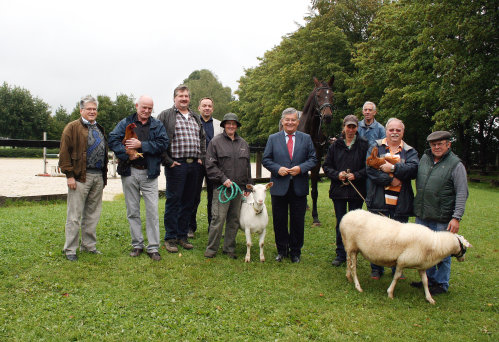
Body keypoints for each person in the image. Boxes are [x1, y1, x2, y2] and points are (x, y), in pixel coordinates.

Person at [108, 96, 169, 261]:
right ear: (137, 106)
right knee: (132, 210)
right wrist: (127, 153)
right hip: (130, 171)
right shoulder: (125, 123)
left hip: (150, 173)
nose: (147, 111)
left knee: (152, 211)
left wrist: (141, 145)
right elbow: (112, 139)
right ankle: (137, 245)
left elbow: (164, 143)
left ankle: (153, 247)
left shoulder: (157, 124)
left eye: (150, 108)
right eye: (144, 107)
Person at [412, 131, 468, 295]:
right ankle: (427, 280)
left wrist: (456, 217)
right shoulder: (424, 159)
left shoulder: (455, 164)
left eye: (440, 144)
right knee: (423, 249)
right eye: (433, 144)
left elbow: (462, 193)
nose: (436, 147)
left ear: (448, 144)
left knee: (442, 251)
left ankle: (441, 283)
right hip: (423, 214)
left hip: (443, 217)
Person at [365, 118, 419, 279]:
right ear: (386, 131)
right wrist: (390, 180)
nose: (394, 132)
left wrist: (393, 167)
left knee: (399, 238)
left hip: (401, 201)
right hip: (379, 200)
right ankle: (376, 268)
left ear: (403, 132)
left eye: (398, 130)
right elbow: (370, 170)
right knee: (376, 237)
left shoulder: (410, 151)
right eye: (391, 130)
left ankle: (397, 269)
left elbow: (413, 170)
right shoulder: (375, 146)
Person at [262, 108, 317, 263]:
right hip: (279, 186)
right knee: (279, 220)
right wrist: (277, 169)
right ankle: (281, 250)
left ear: (298, 122)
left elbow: (313, 159)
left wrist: (301, 168)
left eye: (293, 120)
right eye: (287, 120)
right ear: (282, 121)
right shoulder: (273, 138)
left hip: (299, 186)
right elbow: (266, 159)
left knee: (297, 220)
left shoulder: (306, 139)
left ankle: (295, 252)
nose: (290, 122)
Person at [157, 85, 206, 253]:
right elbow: (158, 139)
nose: (184, 98)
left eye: (186, 96)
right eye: (180, 96)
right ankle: (170, 238)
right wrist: (168, 161)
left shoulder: (195, 117)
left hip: (194, 165)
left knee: (188, 202)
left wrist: (202, 157)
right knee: (173, 201)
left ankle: (182, 235)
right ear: (174, 98)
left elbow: (202, 139)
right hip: (176, 165)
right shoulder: (166, 115)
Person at [59, 95, 108, 261]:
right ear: (81, 110)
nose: (92, 111)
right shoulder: (71, 128)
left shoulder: (99, 128)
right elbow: (64, 153)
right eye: (89, 109)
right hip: (80, 177)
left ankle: (88, 246)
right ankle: (70, 250)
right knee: (74, 215)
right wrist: (69, 176)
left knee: (92, 214)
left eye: (94, 109)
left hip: (97, 176)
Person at [204, 113, 252, 259]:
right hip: (222, 188)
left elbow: (247, 166)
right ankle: (211, 249)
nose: (231, 126)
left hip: (238, 190)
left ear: (237, 126)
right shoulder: (215, 142)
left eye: (234, 123)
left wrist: (248, 186)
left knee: (234, 220)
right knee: (218, 219)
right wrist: (223, 179)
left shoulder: (243, 144)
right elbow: (210, 165)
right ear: (224, 125)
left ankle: (229, 248)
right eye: (228, 123)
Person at [323, 115, 369, 267]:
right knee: (341, 223)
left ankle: (353, 252)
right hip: (339, 191)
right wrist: (338, 175)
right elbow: (327, 166)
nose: (350, 130)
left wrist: (356, 175)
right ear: (344, 127)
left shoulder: (364, 145)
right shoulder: (335, 146)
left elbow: (368, 167)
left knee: (355, 224)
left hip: (357, 190)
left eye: (353, 127)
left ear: (357, 128)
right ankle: (341, 253)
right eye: (348, 127)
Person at [189, 97, 223, 238]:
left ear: (212, 108)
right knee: (193, 196)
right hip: (197, 164)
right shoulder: (192, 122)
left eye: (209, 106)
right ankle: (190, 227)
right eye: (204, 106)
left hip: (214, 165)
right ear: (199, 108)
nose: (207, 108)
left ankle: (212, 226)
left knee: (214, 197)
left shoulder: (219, 125)